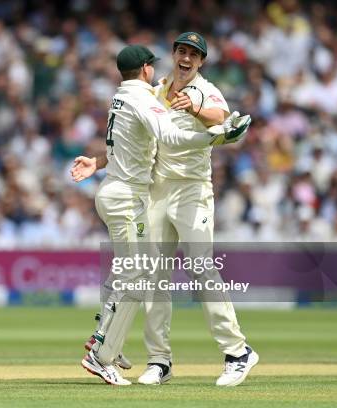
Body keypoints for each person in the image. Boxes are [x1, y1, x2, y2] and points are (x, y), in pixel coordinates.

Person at [73, 33, 258, 387]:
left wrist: (197, 109)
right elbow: (130, 138)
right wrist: (98, 162)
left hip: (192, 192)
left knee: (201, 267)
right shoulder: (155, 89)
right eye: (182, 52)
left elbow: (220, 115)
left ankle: (237, 352)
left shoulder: (205, 89)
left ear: (201, 62)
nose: (186, 58)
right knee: (153, 276)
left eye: (194, 55)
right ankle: (160, 360)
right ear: (173, 55)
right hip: (156, 190)